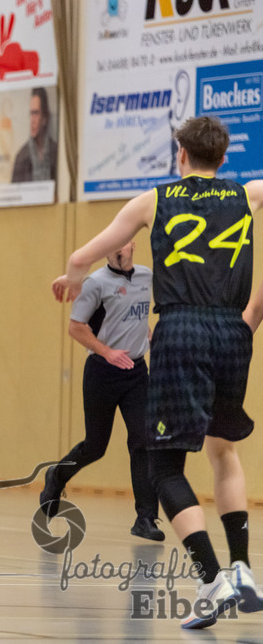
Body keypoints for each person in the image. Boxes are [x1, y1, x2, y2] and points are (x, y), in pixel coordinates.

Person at [51, 116, 263, 630]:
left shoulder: (153, 199)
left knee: (162, 465)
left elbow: (84, 256)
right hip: (233, 333)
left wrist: (71, 279)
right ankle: (243, 569)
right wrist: (251, 315)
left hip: (181, 329)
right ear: (224, 156)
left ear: (181, 155)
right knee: (223, 449)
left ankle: (211, 577)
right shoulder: (250, 194)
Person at [40, 241, 163, 542]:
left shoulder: (147, 277)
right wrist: (107, 352)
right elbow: (76, 327)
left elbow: (135, 317)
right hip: (102, 372)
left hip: (135, 372)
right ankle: (56, 476)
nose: (119, 250)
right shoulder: (96, 283)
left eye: (123, 243)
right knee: (96, 446)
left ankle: (146, 519)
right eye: (113, 246)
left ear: (133, 245)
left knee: (143, 442)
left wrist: (148, 337)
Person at [11, 86, 58, 183]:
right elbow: (14, 195)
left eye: (36, 113)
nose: (32, 120)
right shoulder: (21, 157)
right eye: (31, 114)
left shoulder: (55, 152)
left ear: (44, 118)